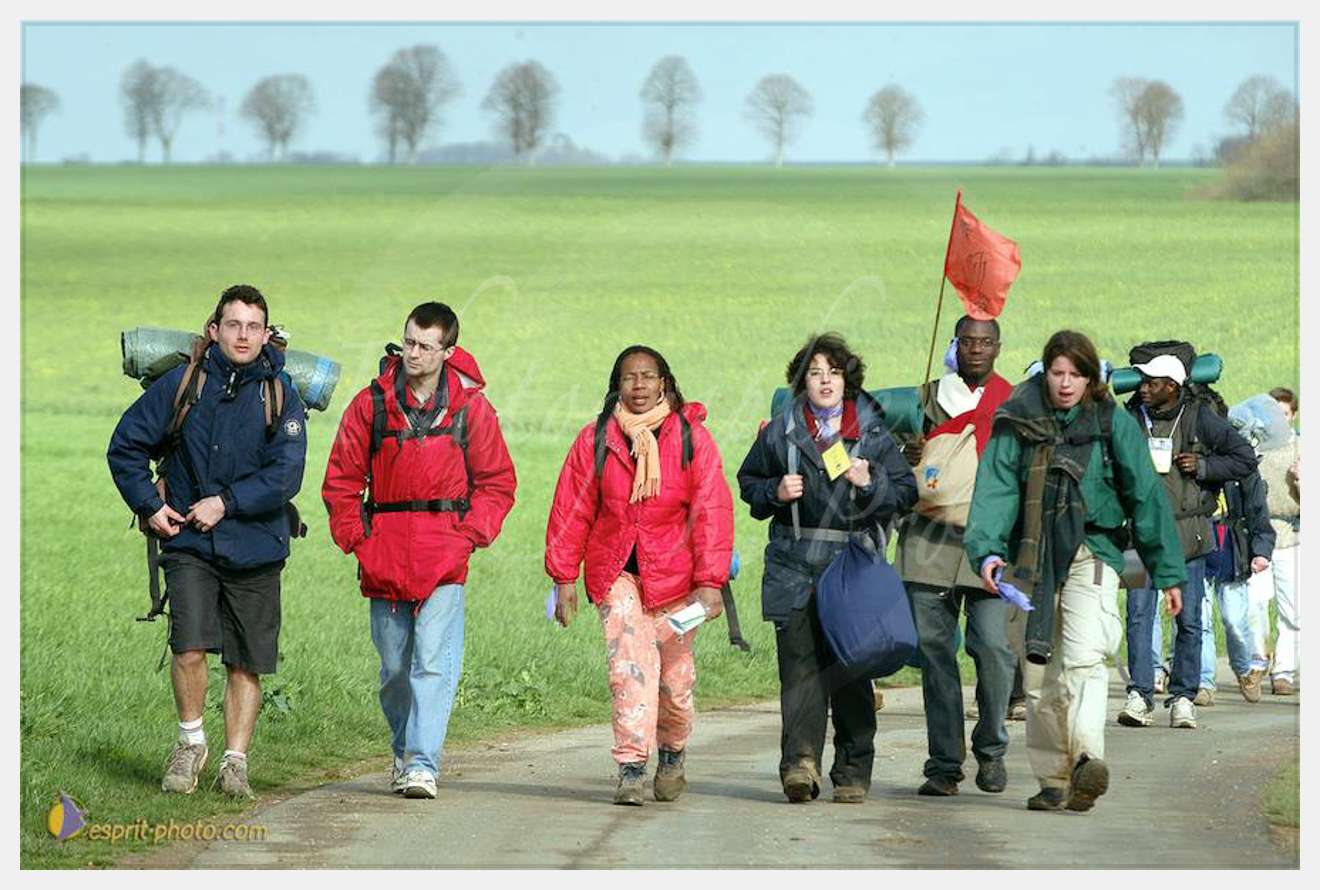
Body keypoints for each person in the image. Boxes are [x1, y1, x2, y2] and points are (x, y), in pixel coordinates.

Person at [965, 330, 1185, 812]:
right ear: (1046, 374)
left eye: (1075, 374)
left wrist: (1167, 573)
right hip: (1028, 559)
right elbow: (996, 490)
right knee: (1040, 673)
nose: (1065, 384)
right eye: (1057, 373)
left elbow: (1144, 496)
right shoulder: (1016, 421)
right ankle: (1053, 778)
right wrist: (986, 552)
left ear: (1091, 378)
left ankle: (1086, 760)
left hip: (1093, 550)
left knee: (1085, 658)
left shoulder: (1113, 424)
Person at [107, 284, 308, 799]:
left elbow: (286, 475)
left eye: (253, 326)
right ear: (214, 330)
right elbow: (125, 445)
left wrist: (228, 502)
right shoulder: (183, 384)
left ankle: (234, 762)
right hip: (190, 543)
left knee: (246, 660)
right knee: (189, 645)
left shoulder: (281, 395)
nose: (243, 335)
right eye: (233, 324)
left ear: (267, 335)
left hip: (258, 544)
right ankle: (190, 743)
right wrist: (149, 507)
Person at [322, 302, 516, 800]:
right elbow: (342, 477)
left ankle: (422, 763)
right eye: (409, 341)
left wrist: (468, 536)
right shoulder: (371, 404)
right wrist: (355, 539)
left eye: (425, 346)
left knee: (431, 663)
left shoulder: (472, 409)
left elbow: (497, 482)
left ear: (447, 351)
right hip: (383, 549)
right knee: (393, 670)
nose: (413, 353)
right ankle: (403, 749)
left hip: (444, 556)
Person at [545, 345, 733, 806]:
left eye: (649, 376)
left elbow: (711, 510)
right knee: (630, 666)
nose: (640, 385)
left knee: (675, 681)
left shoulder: (692, 440)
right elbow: (572, 509)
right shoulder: (596, 440)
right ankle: (631, 767)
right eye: (630, 377)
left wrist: (711, 584)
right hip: (616, 572)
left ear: (664, 383)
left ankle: (672, 754)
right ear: (617, 386)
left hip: (678, 579)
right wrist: (563, 575)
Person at [737, 333, 917, 804]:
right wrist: (774, 490)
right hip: (793, 566)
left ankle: (853, 771)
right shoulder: (780, 430)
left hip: (851, 566)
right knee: (799, 671)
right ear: (801, 380)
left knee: (852, 669)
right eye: (814, 372)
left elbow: (905, 495)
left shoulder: (873, 435)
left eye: (833, 372)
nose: (824, 381)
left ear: (847, 379)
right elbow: (748, 482)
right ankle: (800, 765)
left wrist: (870, 480)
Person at [895, 316, 1016, 797]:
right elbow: (886, 455)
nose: (976, 350)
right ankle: (945, 763)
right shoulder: (924, 398)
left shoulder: (1016, 400)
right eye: (967, 341)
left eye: (985, 342)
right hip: (926, 542)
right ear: (955, 345)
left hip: (990, 544)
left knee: (992, 649)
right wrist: (908, 453)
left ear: (998, 347)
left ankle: (991, 747)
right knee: (936, 656)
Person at [1118, 350, 1256, 730]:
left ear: (1173, 387)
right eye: (1141, 382)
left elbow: (1244, 459)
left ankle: (1183, 697)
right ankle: (1140, 695)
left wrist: (1206, 467)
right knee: (1138, 615)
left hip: (1189, 534)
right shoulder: (1130, 418)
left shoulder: (1200, 418)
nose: (1143, 388)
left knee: (1190, 619)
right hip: (1139, 533)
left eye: (1152, 383)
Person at [1196, 396, 1276, 704]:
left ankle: (1244, 670)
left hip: (1231, 546)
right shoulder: (1188, 458)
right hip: (1199, 542)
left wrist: (1262, 549)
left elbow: (1257, 509)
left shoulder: (1241, 462)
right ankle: (1204, 683)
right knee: (1198, 619)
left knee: (1233, 619)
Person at [1252, 387, 1301, 695]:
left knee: (1293, 610)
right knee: (1254, 606)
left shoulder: (1303, 448)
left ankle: (1283, 671)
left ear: (1293, 416)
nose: (1279, 420)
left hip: (1292, 535)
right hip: (1258, 536)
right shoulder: (1251, 446)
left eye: (1285, 414)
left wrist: (1301, 480)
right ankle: (1256, 662)